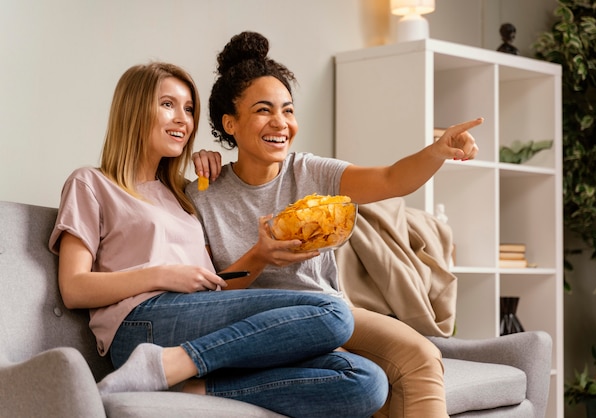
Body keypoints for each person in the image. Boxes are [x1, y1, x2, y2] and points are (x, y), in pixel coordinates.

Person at [48, 61, 388, 418]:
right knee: (332, 311)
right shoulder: (91, 183)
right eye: (168, 104)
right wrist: (161, 275)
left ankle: (194, 382)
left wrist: (261, 253)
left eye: (189, 109)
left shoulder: (183, 195)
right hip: (141, 324)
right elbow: (73, 287)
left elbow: (219, 290)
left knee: (366, 380)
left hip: (200, 321)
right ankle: (168, 363)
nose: (183, 119)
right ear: (133, 109)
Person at [187, 31, 482, 418]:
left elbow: (392, 179)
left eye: (288, 110)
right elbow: (208, 299)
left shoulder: (311, 171)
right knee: (368, 387)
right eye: (263, 110)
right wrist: (258, 257)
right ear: (230, 123)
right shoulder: (202, 196)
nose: (281, 123)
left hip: (329, 313)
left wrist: (437, 151)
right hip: (258, 325)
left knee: (422, 356)